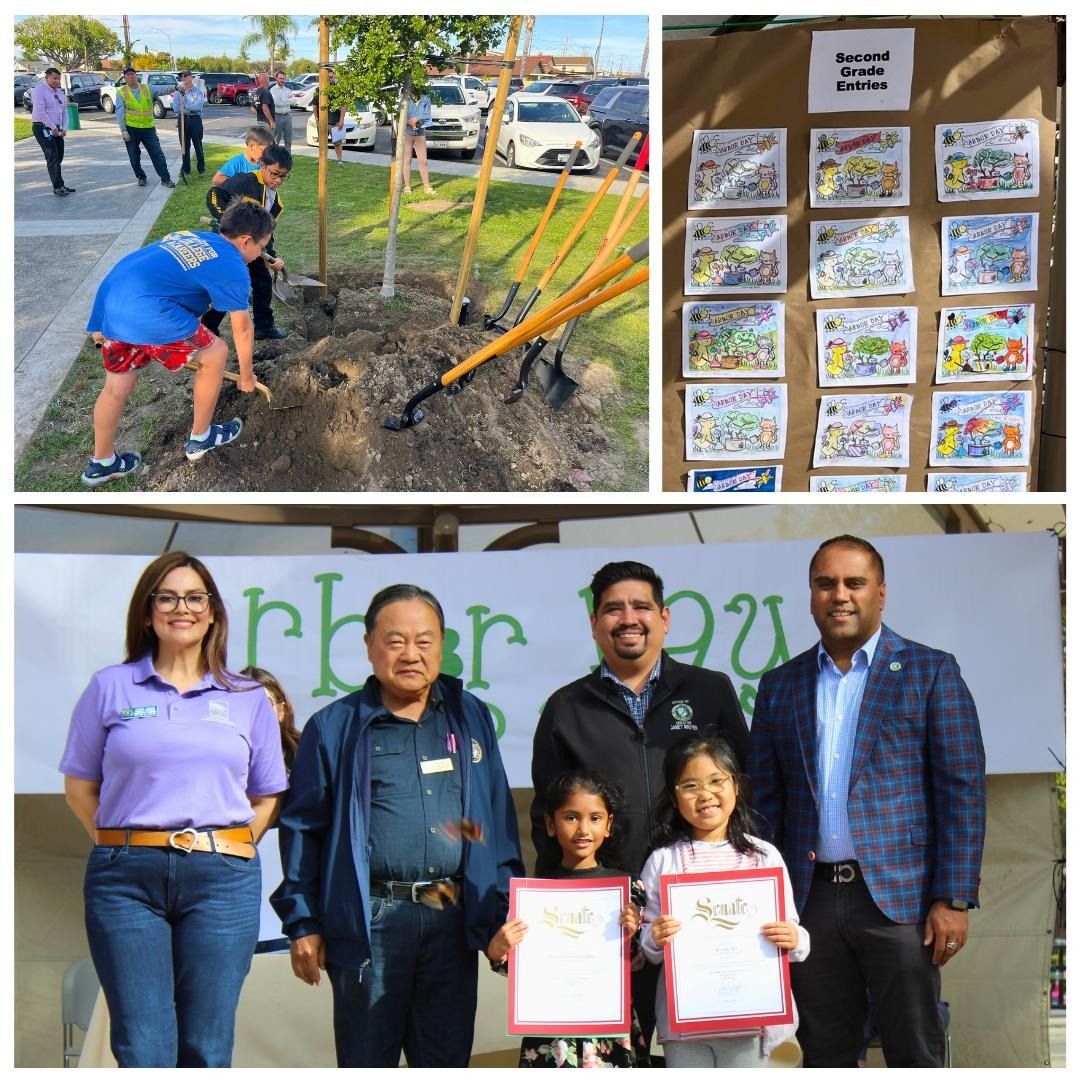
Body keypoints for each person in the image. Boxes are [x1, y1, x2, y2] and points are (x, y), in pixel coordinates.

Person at [747, 534, 986, 1067]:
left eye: (854, 582)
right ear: (810, 596)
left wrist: (953, 898)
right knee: (826, 1052)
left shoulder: (930, 672)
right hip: (808, 902)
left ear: (881, 593)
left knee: (914, 1050)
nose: (840, 595)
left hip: (901, 903)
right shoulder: (779, 686)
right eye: (826, 584)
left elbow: (962, 790)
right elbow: (764, 804)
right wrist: (764, 898)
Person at [271, 584, 525, 1068]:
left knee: (446, 1061)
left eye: (424, 641)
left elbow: (490, 820)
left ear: (443, 645)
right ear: (368, 646)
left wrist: (500, 908)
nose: (411, 654)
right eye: (395, 641)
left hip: (451, 912)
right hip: (372, 918)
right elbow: (303, 830)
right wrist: (302, 923)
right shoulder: (333, 727)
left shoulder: (469, 715)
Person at [58, 551, 288, 1066]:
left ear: (212, 613)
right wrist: (120, 845)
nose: (180, 607)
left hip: (222, 881)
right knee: (142, 1047)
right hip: (125, 882)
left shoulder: (248, 698)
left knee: (207, 1047)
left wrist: (234, 844)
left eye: (194, 597)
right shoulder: (109, 687)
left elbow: (268, 794)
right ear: (147, 613)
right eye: (166, 597)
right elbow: (79, 788)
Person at [531, 559, 749, 1054]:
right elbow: (546, 822)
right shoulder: (566, 708)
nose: (628, 618)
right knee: (615, 1055)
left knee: (696, 1055)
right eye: (612, 609)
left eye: (640, 606)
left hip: (701, 917)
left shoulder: (709, 690)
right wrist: (555, 918)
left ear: (665, 618)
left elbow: (745, 790)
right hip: (608, 923)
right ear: (594, 624)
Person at [639, 733, 809, 1067]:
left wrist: (794, 939)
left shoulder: (763, 856)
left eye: (716, 780)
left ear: (736, 786)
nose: (705, 794)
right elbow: (646, 940)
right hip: (684, 1021)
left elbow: (792, 928)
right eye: (690, 785)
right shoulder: (662, 861)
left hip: (749, 1020)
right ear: (673, 799)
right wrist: (654, 937)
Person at [81, 200, 275, 485]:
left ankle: (102, 462)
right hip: (150, 311)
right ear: (246, 241)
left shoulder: (194, 237)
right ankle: (201, 437)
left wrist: (99, 323)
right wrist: (246, 375)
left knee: (116, 387)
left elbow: (127, 269)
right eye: (262, 247)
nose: (262, 253)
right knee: (215, 352)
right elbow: (243, 329)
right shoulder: (233, 266)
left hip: (114, 305)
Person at [487, 770, 650, 1069]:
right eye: (571, 817)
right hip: (551, 1035)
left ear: (609, 824)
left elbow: (640, 961)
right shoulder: (534, 896)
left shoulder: (628, 890)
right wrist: (498, 952)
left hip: (610, 1030)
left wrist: (633, 933)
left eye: (595, 818)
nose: (583, 829)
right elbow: (521, 968)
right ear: (550, 823)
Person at [204, 144, 291, 341]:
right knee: (231, 284)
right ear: (262, 165)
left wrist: (271, 255)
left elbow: (266, 232)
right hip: (231, 245)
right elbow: (214, 194)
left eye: (283, 176)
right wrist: (226, 220)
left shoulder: (276, 203)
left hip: (252, 248)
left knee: (262, 282)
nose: (278, 180)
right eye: (275, 174)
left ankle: (264, 326)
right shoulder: (246, 181)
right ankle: (208, 327)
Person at [115, 66, 174, 189]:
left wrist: (175, 88)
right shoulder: (121, 92)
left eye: (133, 74)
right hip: (131, 129)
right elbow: (120, 112)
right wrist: (123, 130)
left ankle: (165, 179)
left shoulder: (146, 88)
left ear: (136, 76)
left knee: (157, 154)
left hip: (148, 129)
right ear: (124, 77)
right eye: (128, 75)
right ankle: (141, 176)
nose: (131, 77)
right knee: (134, 157)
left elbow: (162, 89)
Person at [241, 666, 301, 770]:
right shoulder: (221, 756)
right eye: (242, 704)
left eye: (264, 703)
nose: (252, 712)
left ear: (282, 710)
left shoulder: (306, 753)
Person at [30, 67, 73, 196]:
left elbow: (65, 112)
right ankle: (57, 186)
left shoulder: (59, 93)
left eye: (58, 79)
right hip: (42, 127)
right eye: (54, 78)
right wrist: (52, 127)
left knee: (59, 155)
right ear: (46, 78)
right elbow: (40, 112)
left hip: (57, 128)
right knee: (52, 156)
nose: (57, 81)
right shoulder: (39, 91)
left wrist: (64, 128)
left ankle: (60, 183)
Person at [171, 71, 206, 176]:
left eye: (186, 75)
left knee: (198, 144)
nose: (184, 78)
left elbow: (198, 107)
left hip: (195, 120)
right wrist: (190, 108)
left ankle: (201, 168)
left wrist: (185, 106)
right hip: (183, 120)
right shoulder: (178, 92)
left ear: (191, 77)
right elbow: (176, 109)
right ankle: (185, 169)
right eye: (182, 76)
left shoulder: (198, 92)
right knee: (184, 146)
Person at [402, 84, 435, 194]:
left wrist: (416, 119)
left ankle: (426, 186)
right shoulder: (405, 99)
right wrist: (409, 121)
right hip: (407, 133)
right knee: (407, 160)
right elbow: (400, 114)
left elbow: (427, 115)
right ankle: (407, 186)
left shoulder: (426, 99)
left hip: (420, 133)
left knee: (423, 160)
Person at [311, 70, 348, 167]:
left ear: (334, 77)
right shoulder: (319, 90)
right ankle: (321, 159)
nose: (329, 79)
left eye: (331, 77)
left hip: (334, 122)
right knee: (322, 143)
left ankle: (340, 160)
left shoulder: (338, 90)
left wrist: (341, 120)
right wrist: (316, 118)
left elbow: (343, 106)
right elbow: (314, 105)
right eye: (327, 77)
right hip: (322, 123)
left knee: (337, 143)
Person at [270, 70, 294, 152]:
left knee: (288, 140)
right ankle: (274, 159)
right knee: (276, 140)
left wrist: (283, 101)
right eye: (280, 78)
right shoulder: (273, 90)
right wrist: (287, 101)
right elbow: (276, 102)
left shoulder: (288, 90)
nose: (282, 80)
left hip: (287, 116)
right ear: (276, 78)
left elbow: (293, 101)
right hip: (277, 116)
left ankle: (287, 159)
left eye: (283, 78)